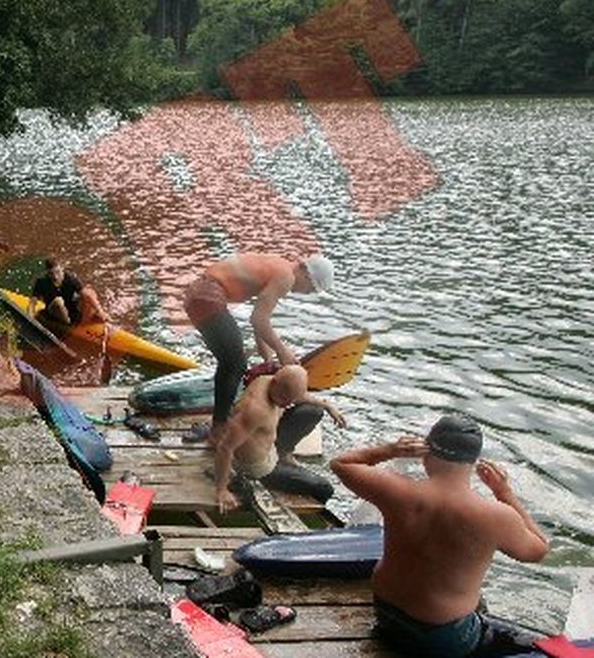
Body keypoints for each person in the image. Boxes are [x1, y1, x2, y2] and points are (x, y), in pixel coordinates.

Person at [330, 416, 549, 657]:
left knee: (476, 605)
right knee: (547, 647)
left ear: (425, 451)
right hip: (445, 639)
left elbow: (341, 463)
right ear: (473, 462)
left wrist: (391, 450)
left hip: (388, 618)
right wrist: (504, 492)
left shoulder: (398, 491)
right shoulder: (495, 515)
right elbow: (539, 550)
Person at [184, 252, 335, 432]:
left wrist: (267, 359)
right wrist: (282, 351)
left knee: (231, 363)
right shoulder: (286, 277)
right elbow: (259, 319)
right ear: (306, 273)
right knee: (235, 365)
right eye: (309, 289)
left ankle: (220, 421)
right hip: (207, 296)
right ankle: (219, 429)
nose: (305, 293)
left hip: (199, 294)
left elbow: (258, 321)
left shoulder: (279, 265)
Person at [212, 365, 344, 511]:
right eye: (284, 399)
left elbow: (299, 396)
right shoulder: (254, 409)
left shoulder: (270, 383)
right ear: (275, 383)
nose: (287, 404)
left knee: (313, 411)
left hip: (270, 446)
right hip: (258, 468)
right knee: (324, 488)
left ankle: (284, 454)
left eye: (290, 399)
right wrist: (222, 490)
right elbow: (225, 447)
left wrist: (327, 405)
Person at [27, 258, 110, 326]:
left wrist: (101, 311)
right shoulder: (42, 282)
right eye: (51, 274)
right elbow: (32, 303)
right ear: (47, 273)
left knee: (89, 292)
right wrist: (30, 317)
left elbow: (87, 295)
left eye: (57, 272)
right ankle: (68, 326)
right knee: (58, 301)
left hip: (70, 309)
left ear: (62, 269)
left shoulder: (71, 279)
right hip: (54, 312)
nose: (55, 277)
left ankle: (96, 320)